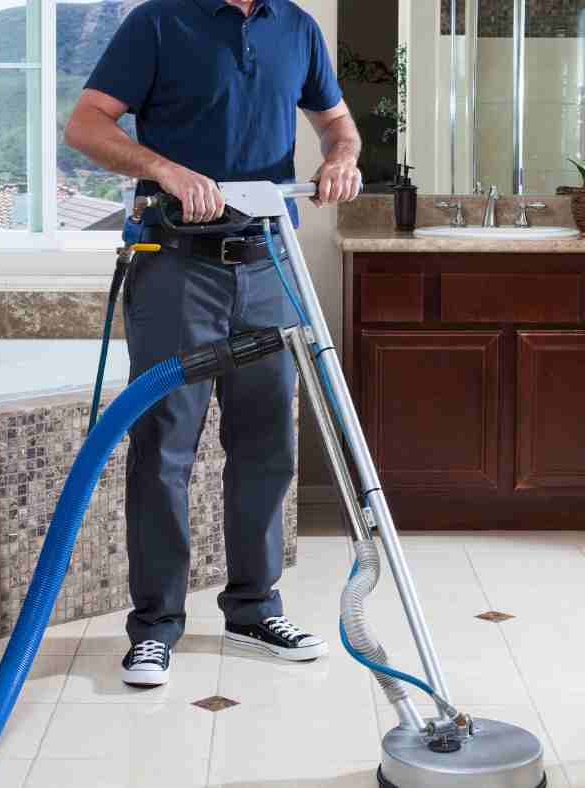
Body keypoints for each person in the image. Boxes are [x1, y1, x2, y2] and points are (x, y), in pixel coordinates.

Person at [65, 0, 362, 686]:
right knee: (164, 447)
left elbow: (336, 121)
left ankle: (255, 609)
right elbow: (85, 125)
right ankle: (156, 627)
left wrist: (341, 156)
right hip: (177, 267)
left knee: (266, 444)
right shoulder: (160, 22)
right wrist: (165, 170)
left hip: (269, 264)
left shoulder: (297, 28)